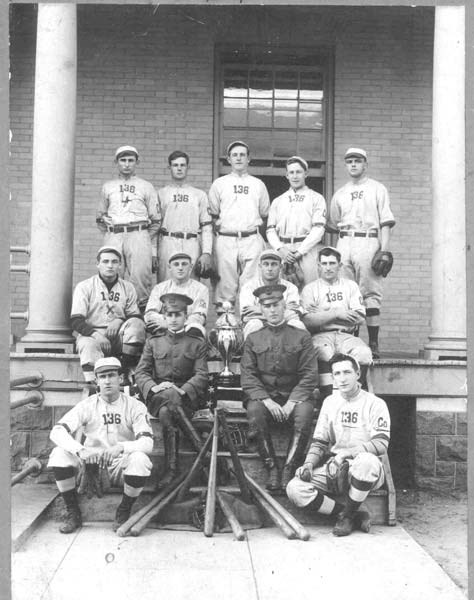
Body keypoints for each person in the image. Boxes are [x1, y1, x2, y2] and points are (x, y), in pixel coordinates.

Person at [286, 352, 390, 537]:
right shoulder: (330, 402)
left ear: (358, 374)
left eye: (347, 372)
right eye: (337, 374)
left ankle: (347, 517)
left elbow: (381, 443)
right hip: (335, 467)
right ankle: (352, 514)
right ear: (332, 377)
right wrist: (309, 464)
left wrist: (347, 453)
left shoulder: (375, 403)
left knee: (366, 462)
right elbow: (320, 441)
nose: (342, 378)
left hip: (366, 471)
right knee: (295, 489)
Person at [47, 357, 154, 533]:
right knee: (59, 453)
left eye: (111, 375)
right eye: (102, 376)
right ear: (96, 381)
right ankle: (73, 512)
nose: (107, 381)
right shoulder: (87, 405)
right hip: (90, 463)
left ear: (121, 378)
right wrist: (80, 450)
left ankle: (123, 511)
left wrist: (122, 447)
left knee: (140, 459)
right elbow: (56, 431)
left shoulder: (135, 406)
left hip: (119, 463)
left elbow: (147, 442)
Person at [240, 284, 318, 492]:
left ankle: (290, 468)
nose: (272, 310)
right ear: (261, 310)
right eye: (267, 306)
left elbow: (310, 374)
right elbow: (248, 376)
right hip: (265, 397)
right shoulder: (253, 338)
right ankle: (272, 467)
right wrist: (267, 401)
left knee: (305, 413)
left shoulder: (301, 337)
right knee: (254, 411)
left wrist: (292, 402)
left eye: (276, 305)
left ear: (284, 306)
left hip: (295, 395)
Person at [135, 293, 208, 488]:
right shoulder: (153, 342)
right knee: (167, 398)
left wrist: (182, 390)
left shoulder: (196, 343)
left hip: (185, 399)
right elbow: (141, 372)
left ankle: (172, 470)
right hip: (158, 396)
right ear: (164, 317)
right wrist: (155, 387)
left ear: (186, 316)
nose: (173, 319)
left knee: (168, 410)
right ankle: (205, 457)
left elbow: (201, 375)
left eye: (178, 315)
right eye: (169, 315)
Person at [328, 148, 396, 357]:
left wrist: (384, 250)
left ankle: (373, 344)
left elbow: (386, 222)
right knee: (348, 293)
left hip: (368, 239)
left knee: (370, 293)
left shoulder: (377, 188)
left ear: (365, 164)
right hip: (345, 241)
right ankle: (352, 343)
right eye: (349, 161)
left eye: (358, 161)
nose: (353, 165)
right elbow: (333, 222)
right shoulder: (340, 192)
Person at [301, 246, 372, 400]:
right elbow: (307, 321)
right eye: (324, 263)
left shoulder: (350, 286)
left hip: (346, 335)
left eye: (332, 263)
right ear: (318, 266)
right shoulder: (310, 289)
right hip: (321, 335)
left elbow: (359, 318)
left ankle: (356, 397)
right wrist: (339, 312)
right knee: (325, 353)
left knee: (363, 353)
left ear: (339, 266)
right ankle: (328, 398)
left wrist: (322, 312)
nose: (328, 267)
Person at [96, 145, 161, 310]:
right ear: (117, 162)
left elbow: (156, 220)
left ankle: (139, 322)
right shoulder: (108, 187)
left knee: (140, 278)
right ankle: (113, 317)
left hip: (138, 234)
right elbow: (100, 217)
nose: (126, 164)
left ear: (136, 162)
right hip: (114, 235)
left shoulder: (146, 186)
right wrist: (111, 229)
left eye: (130, 160)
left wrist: (143, 236)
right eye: (123, 160)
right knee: (111, 274)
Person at [208, 140, 270, 313]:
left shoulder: (258, 184)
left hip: (251, 238)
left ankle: (249, 330)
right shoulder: (219, 183)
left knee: (251, 286)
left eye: (242, 154)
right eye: (234, 155)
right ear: (228, 159)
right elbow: (213, 215)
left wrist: (255, 235)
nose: (238, 158)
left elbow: (265, 215)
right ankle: (225, 334)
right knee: (225, 288)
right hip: (226, 239)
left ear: (249, 159)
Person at [71, 246, 146, 385]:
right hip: (93, 333)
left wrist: (119, 320)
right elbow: (76, 321)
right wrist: (96, 335)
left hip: (119, 333)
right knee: (87, 345)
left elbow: (136, 316)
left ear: (119, 265)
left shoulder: (127, 287)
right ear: (98, 264)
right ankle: (94, 384)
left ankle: (124, 370)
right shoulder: (85, 286)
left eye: (114, 262)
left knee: (137, 326)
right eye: (105, 261)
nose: (110, 265)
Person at [267, 156, 327, 287]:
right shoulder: (278, 200)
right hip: (284, 251)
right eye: (291, 172)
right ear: (287, 175)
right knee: (283, 293)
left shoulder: (316, 198)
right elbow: (270, 230)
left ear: (306, 173)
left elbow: (319, 229)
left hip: (306, 250)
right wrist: (280, 249)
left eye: (298, 172)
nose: (295, 176)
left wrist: (300, 251)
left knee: (309, 291)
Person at [157, 151, 213, 282]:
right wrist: (154, 253)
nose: (179, 168)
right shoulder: (161, 194)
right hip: (168, 242)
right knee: (166, 283)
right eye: (175, 165)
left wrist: (206, 252)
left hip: (191, 242)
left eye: (183, 165)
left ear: (188, 167)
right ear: (169, 168)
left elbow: (207, 227)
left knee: (191, 283)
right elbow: (155, 227)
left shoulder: (199, 195)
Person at [239, 248, 306, 338]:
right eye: (266, 264)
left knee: (296, 324)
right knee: (254, 324)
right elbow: (247, 316)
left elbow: (294, 314)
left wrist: (259, 310)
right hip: (260, 328)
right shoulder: (248, 287)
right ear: (260, 266)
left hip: (284, 329)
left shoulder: (291, 288)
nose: (269, 268)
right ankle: (251, 352)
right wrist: (283, 308)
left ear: (281, 267)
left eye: (274, 264)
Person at [144, 252, 209, 338]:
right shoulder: (159, 288)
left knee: (196, 328)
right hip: (164, 331)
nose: (180, 268)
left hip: (188, 332)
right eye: (176, 264)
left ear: (191, 267)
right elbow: (149, 314)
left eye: (184, 264)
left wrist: (171, 324)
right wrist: (166, 323)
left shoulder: (201, 289)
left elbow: (199, 317)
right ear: (169, 267)